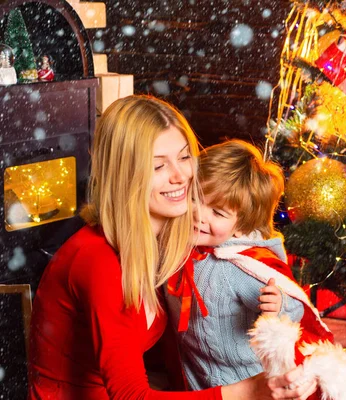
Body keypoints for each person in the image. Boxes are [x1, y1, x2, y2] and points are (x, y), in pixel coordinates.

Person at [28, 95, 318, 400]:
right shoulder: (98, 260)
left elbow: (248, 246)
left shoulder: (167, 240)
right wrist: (250, 389)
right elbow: (131, 396)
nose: (180, 176)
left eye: (183, 157)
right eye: (158, 166)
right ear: (126, 176)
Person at [165, 140, 333, 391]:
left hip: (245, 381)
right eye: (195, 198)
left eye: (218, 213)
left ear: (241, 227)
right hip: (196, 378)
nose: (200, 215)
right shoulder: (178, 246)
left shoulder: (240, 266)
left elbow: (295, 308)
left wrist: (278, 306)